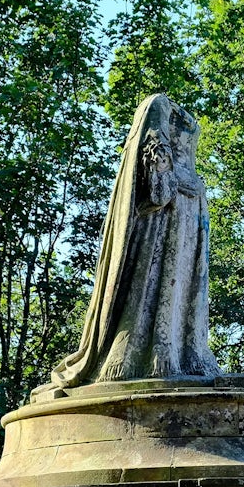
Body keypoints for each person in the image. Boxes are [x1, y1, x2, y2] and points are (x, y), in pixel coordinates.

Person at [36, 93, 220, 396]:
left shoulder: (170, 108)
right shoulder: (158, 105)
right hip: (167, 213)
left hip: (188, 211)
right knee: (156, 281)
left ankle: (182, 354)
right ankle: (147, 358)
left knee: (182, 286)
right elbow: (156, 183)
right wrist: (169, 178)